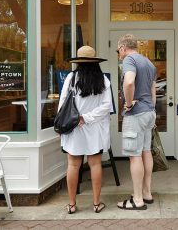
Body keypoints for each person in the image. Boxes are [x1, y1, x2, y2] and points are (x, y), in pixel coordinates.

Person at [58, 46, 113, 214]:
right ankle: (96, 204)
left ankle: (72, 205)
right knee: (95, 164)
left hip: (74, 127)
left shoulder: (71, 78)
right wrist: (87, 118)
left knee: (73, 165)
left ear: (78, 63)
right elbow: (106, 106)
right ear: (95, 62)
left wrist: (70, 121)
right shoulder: (103, 80)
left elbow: (62, 104)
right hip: (94, 128)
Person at [116, 34, 157, 210]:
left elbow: (129, 82)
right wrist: (151, 110)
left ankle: (137, 199)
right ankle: (147, 193)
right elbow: (153, 91)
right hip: (149, 112)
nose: (119, 53)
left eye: (118, 50)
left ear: (124, 47)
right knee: (146, 152)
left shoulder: (129, 60)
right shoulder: (149, 63)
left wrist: (127, 103)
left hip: (136, 114)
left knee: (135, 156)